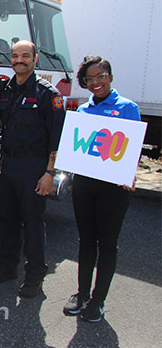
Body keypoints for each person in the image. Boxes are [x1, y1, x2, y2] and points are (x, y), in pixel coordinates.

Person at [62, 56, 140, 322]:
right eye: (89, 79)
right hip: (84, 184)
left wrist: (130, 172)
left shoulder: (127, 107)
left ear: (110, 76)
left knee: (107, 244)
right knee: (86, 241)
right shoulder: (83, 111)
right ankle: (82, 294)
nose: (96, 83)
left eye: (100, 76)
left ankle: (98, 300)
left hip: (113, 188)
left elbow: (133, 148)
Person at [0, 40, 64, 298]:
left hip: (33, 167)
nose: (20, 60)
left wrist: (49, 173)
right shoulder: (6, 89)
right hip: (6, 164)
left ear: (35, 59)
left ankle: (34, 277)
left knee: (32, 223)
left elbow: (57, 139)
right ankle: (7, 267)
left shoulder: (48, 95)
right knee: (5, 220)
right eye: (16, 56)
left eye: (25, 56)